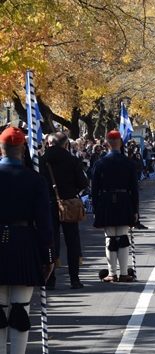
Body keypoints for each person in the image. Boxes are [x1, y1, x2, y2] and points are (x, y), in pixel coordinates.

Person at [0, 127, 55, 354]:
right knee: (20, 309)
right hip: (24, 242)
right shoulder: (34, 179)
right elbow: (44, 221)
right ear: (23, 148)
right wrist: (48, 255)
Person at [41, 132, 88, 290]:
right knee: (72, 241)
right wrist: (70, 191)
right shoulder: (72, 160)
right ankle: (74, 279)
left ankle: (50, 279)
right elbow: (83, 182)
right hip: (68, 203)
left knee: (51, 241)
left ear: (49, 143)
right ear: (65, 144)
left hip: (48, 204)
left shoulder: (42, 160)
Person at [91, 130, 139, 282]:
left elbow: (94, 189)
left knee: (110, 237)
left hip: (105, 201)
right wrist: (136, 209)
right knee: (123, 237)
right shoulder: (128, 162)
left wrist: (95, 207)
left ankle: (112, 273)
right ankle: (124, 272)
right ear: (121, 142)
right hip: (124, 200)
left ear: (106, 143)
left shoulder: (100, 163)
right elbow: (134, 188)